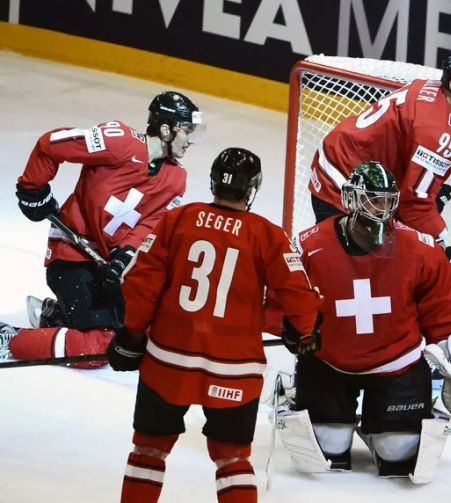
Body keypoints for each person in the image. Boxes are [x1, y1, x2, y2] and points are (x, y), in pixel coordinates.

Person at [104, 148, 322, 502]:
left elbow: (140, 283)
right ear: (251, 189)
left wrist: (131, 334)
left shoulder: (179, 219)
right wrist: (304, 331)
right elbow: (299, 295)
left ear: (213, 182)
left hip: (168, 361)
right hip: (235, 368)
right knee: (232, 458)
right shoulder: (267, 234)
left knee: (148, 451)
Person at [275, 161, 451, 484]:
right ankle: (302, 396)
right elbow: (286, 298)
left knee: (398, 453)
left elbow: (442, 310)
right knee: (327, 449)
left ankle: (382, 424)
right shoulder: (309, 245)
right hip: (329, 363)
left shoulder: (421, 249)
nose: (380, 208)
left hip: (397, 364)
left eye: (387, 200)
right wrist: (289, 327)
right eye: (372, 198)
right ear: (350, 199)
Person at [0, 91, 204, 368]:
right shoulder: (119, 141)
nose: (192, 140)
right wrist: (31, 188)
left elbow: (150, 225)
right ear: (166, 129)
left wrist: (126, 255)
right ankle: (10, 338)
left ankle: (57, 318)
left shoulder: (176, 179)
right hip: (71, 256)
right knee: (97, 348)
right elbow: (51, 144)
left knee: (143, 334)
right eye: (188, 130)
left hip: (108, 266)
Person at [307, 48, 451, 284]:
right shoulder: (436, 131)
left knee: (374, 271)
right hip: (341, 179)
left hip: (348, 162)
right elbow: (415, 205)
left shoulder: (433, 92)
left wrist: (425, 191)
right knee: (349, 279)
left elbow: (412, 188)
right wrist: (443, 248)